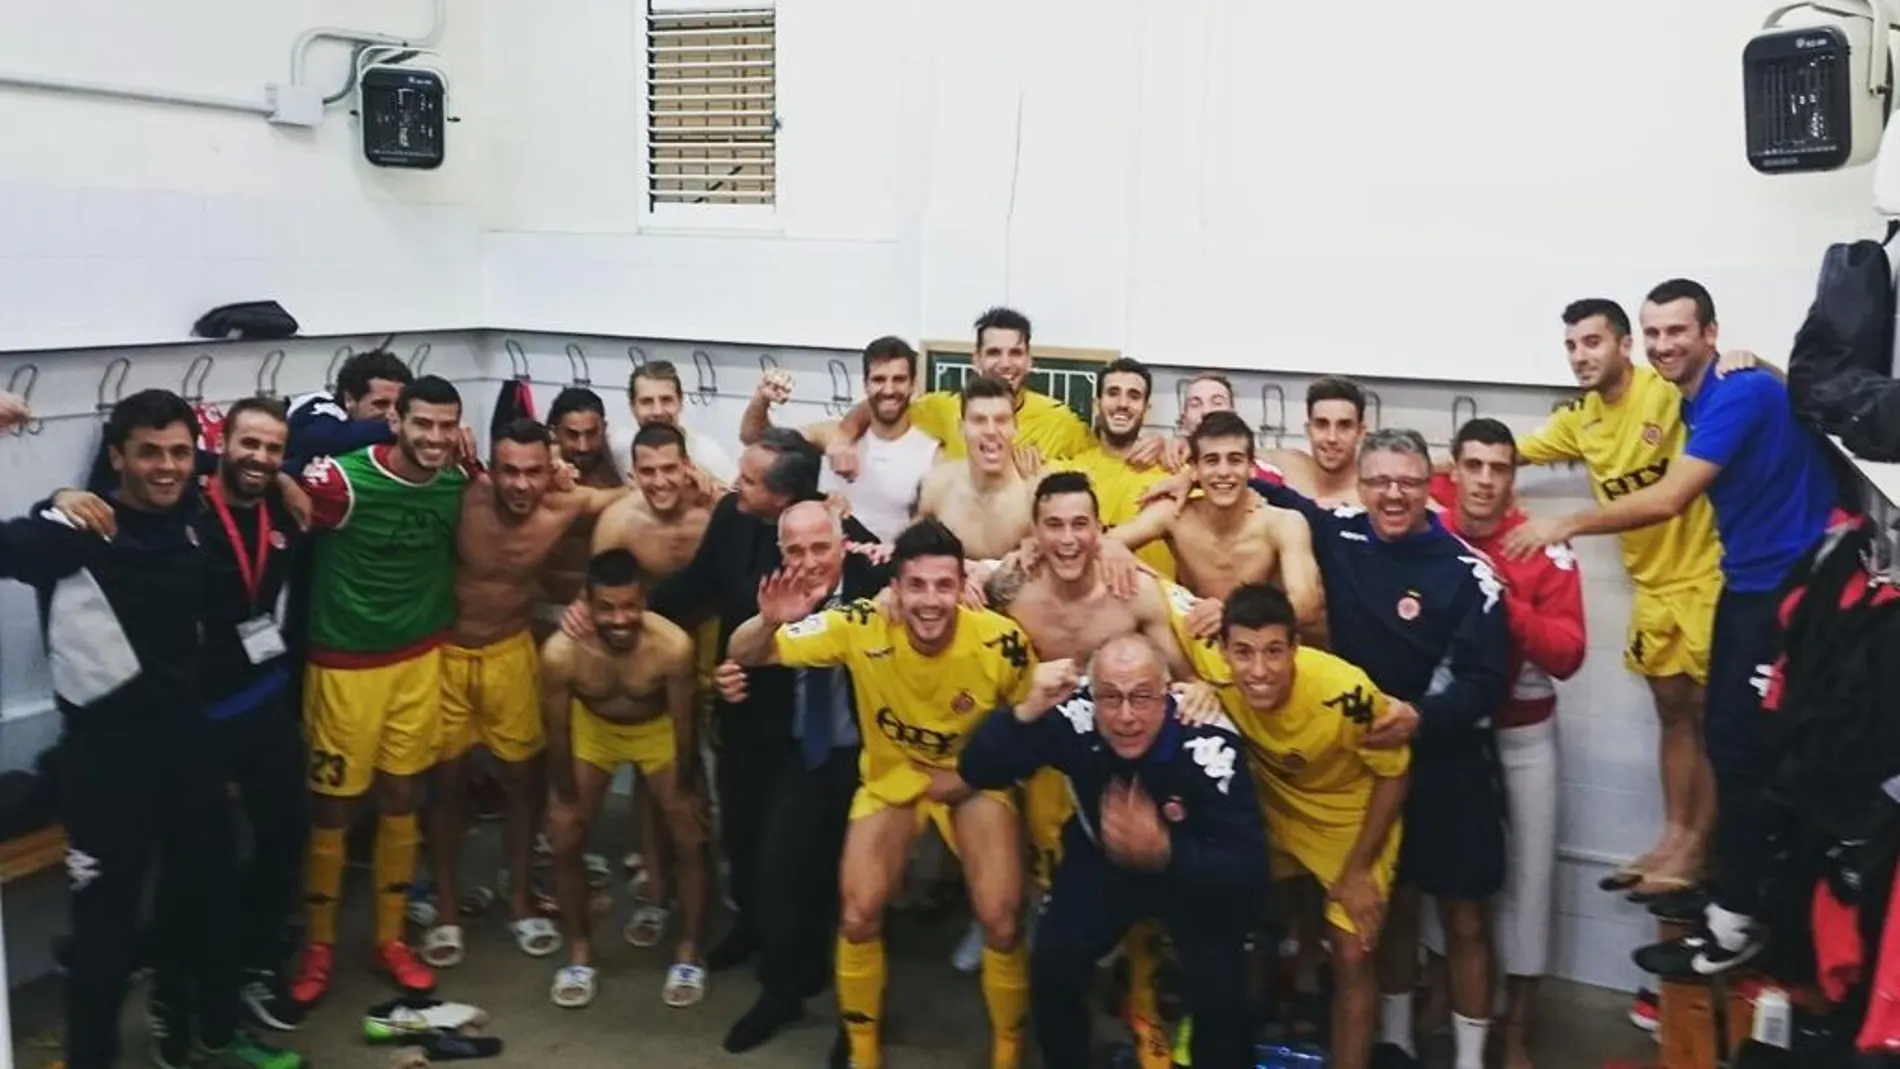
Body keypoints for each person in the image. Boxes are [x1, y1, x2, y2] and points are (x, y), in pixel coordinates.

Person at [1136, 427, 1508, 1068]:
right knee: (1384, 919)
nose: (1392, 495)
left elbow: (1485, 682)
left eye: (1408, 483)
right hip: (1341, 756)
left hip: (1440, 756)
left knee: (1461, 918)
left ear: (1430, 488)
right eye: (1379, 482)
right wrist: (1184, 481)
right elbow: (1252, 484)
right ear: (1361, 487)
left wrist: (1422, 717)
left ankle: (1471, 1059)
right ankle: (1393, 1041)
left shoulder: (1467, 573)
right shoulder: (1340, 530)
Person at [1504, 278, 1840, 979]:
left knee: (1742, 748)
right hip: (1725, 583)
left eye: (1672, 332)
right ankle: (1692, 859)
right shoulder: (1646, 404)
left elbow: (1670, 496)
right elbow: (1517, 451)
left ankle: (1733, 905)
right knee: (1700, 726)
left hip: (1766, 583)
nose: (1663, 345)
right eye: (1656, 333)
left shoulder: (1725, 390)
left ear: (1709, 334)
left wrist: (1566, 520)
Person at [0, 390, 276, 1069]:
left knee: (205, 904)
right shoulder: (71, 531)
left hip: (189, 748)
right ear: (116, 455)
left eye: (180, 452)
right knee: (104, 940)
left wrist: (289, 478)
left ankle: (198, 1033)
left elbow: (247, 462)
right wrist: (56, 497)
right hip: (105, 764)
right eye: (148, 452)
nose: (167, 466)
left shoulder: (190, 513)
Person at [728, 518, 1038, 1069]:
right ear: (893, 587)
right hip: (891, 779)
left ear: (962, 586)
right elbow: (749, 653)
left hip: (970, 781)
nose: (930, 600)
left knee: (1003, 921)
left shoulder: (1001, 641)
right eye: (916, 585)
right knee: (857, 915)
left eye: (944, 585)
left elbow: (1026, 725)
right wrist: (768, 621)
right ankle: (864, 1052)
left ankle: (1009, 1051)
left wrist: (968, 777)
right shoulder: (859, 621)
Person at [983, 470, 1218, 1069]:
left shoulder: (1134, 590)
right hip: (1048, 754)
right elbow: (935, 587)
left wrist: (1200, 693)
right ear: (1034, 531)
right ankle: (1055, 1016)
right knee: (1052, 892)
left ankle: (1144, 1008)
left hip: (1125, 754)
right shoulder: (1010, 583)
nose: (1067, 539)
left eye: (1080, 525)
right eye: (1054, 525)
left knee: (1137, 874)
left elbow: (1181, 667)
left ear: (1100, 530)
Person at [1498, 297, 1725, 901]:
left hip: (1708, 577)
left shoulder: (1665, 391)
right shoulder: (1581, 421)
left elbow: (1731, 386)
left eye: (1592, 342)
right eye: (1571, 345)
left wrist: (1751, 361)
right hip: (1652, 590)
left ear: (1624, 345)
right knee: (1671, 714)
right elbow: (1509, 454)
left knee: (1711, 723)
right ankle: (1672, 836)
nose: (1580, 356)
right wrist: (1420, 470)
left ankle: (1700, 849)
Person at [958, 634, 1269, 1069]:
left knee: (1222, 991)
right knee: (1053, 964)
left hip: (1192, 866)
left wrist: (1166, 851)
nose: (1126, 716)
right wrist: (1026, 711)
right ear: (1092, 694)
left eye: (1141, 698)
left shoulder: (1209, 745)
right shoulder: (1078, 716)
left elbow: (1249, 870)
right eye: (1111, 698)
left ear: (1166, 694)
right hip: (1102, 861)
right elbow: (977, 768)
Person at [643, 428, 878, 972]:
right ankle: (751, 928)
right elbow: (695, 584)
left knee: (802, 852)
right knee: (745, 835)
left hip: (821, 733)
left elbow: (896, 575)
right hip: (748, 709)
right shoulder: (731, 518)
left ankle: (804, 957)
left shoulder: (848, 541)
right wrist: (629, 615)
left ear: (786, 499)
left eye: (748, 480)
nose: (735, 486)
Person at [1171, 583, 1411, 1069]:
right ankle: (1230, 1035)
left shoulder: (1346, 693)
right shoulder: (1211, 666)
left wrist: (1360, 869)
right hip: (1273, 806)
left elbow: (1396, 774)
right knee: (1223, 912)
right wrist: (1185, 680)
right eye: (1244, 653)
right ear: (1222, 650)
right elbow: (1144, 593)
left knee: (1352, 953)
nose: (1258, 670)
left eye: (1274, 652)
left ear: (1296, 649)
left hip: (1349, 818)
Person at [288, 375, 472, 1005]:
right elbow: (260, 490)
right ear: (396, 421)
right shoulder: (343, 482)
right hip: (344, 664)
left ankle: (389, 937)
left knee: (402, 797)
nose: (435, 437)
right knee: (334, 807)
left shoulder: (457, 481)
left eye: (447, 426)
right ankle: (319, 942)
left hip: (421, 657)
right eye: (423, 423)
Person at [424, 418, 627, 970]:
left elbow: (636, 496)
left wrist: (701, 481)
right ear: (491, 467)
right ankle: (444, 907)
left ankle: (518, 900)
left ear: (551, 468)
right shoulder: (462, 493)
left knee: (523, 782)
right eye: (508, 470)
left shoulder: (566, 503)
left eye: (534, 471)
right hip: (446, 655)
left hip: (511, 652)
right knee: (445, 787)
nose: (520, 485)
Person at [1425, 419, 1587, 1069]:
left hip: (1522, 731)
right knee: (1446, 875)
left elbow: (1570, 653)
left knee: (1528, 886)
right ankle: (1446, 999)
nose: (1486, 479)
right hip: (1451, 732)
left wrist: (1497, 591)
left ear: (1513, 476)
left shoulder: (1540, 549)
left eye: (1499, 468)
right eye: (1474, 466)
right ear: (1455, 470)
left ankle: (1517, 1026)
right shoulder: (1432, 524)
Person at [712, 501, 892, 1053]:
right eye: (796, 549)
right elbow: (737, 655)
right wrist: (769, 622)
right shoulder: (768, 589)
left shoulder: (879, 585)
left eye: (821, 547)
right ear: (781, 551)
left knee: (858, 894)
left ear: (844, 545)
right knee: (778, 872)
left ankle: (856, 1017)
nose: (810, 561)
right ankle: (781, 992)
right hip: (796, 755)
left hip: (871, 759)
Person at [542, 549, 710, 1008]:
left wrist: (688, 787)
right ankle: (579, 950)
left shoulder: (672, 646)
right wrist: (564, 798)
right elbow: (557, 731)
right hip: (594, 732)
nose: (620, 619)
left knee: (690, 834)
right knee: (565, 837)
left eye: (630, 606)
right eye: (607, 608)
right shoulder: (560, 653)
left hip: (657, 731)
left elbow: (684, 725)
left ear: (645, 601)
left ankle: (690, 951)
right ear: (588, 605)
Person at [825, 307, 1111, 476]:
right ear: (975, 360)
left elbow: (1106, 458)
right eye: (994, 353)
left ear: (1029, 360)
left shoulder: (1060, 421)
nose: (1005, 364)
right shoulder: (943, 408)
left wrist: (1153, 449)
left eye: (1015, 353)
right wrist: (842, 437)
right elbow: (886, 404)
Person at [1112, 411, 1324, 624]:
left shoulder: (1284, 523)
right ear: (1194, 470)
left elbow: (1306, 607)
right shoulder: (1174, 513)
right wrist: (1114, 549)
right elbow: (1103, 542)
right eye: (1212, 461)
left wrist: (1233, 616)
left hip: (1258, 641)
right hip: (1195, 635)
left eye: (1235, 460)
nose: (1224, 471)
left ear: (1251, 469)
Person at [741, 335, 942, 543]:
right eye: (879, 380)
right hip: (829, 566)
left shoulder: (932, 455)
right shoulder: (832, 435)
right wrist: (761, 400)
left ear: (913, 386)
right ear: (865, 385)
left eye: (899, 380)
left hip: (887, 568)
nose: (889, 390)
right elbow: (754, 439)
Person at [1062, 358, 1182, 578]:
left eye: (1134, 396)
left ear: (1147, 410)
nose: (1123, 404)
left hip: (1155, 604)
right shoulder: (1066, 473)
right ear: (1097, 404)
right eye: (1113, 393)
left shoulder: (1175, 475)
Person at [915, 375, 1041, 561]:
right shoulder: (937, 486)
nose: (990, 431)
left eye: (1001, 420)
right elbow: (910, 558)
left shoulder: (1035, 496)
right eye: (979, 420)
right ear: (961, 428)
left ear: (1015, 427)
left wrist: (988, 571)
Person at [538, 387, 632, 612]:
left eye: (591, 433)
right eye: (572, 434)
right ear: (554, 433)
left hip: (609, 607)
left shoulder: (619, 456)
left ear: (604, 429)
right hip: (545, 606)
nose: (583, 446)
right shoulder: (536, 470)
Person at [609, 359, 740, 486]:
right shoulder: (619, 449)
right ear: (632, 407)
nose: (658, 411)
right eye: (647, 402)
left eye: (666, 400)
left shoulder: (707, 453)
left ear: (680, 402)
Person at [283, 349, 412, 475]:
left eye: (399, 405)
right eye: (381, 404)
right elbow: (325, 442)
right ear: (349, 399)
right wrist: (402, 427)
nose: (392, 413)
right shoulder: (315, 413)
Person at [1166, 371, 1289, 486]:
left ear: (1233, 413)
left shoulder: (1265, 475)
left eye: (1217, 402)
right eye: (1195, 404)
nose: (1206, 411)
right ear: (1183, 419)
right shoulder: (1165, 466)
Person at [1263, 377, 1369, 507]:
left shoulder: (1369, 498)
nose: (1332, 438)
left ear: (1360, 433)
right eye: (1322, 424)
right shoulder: (1286, 464)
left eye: (1344, 426)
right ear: (1309, 430)